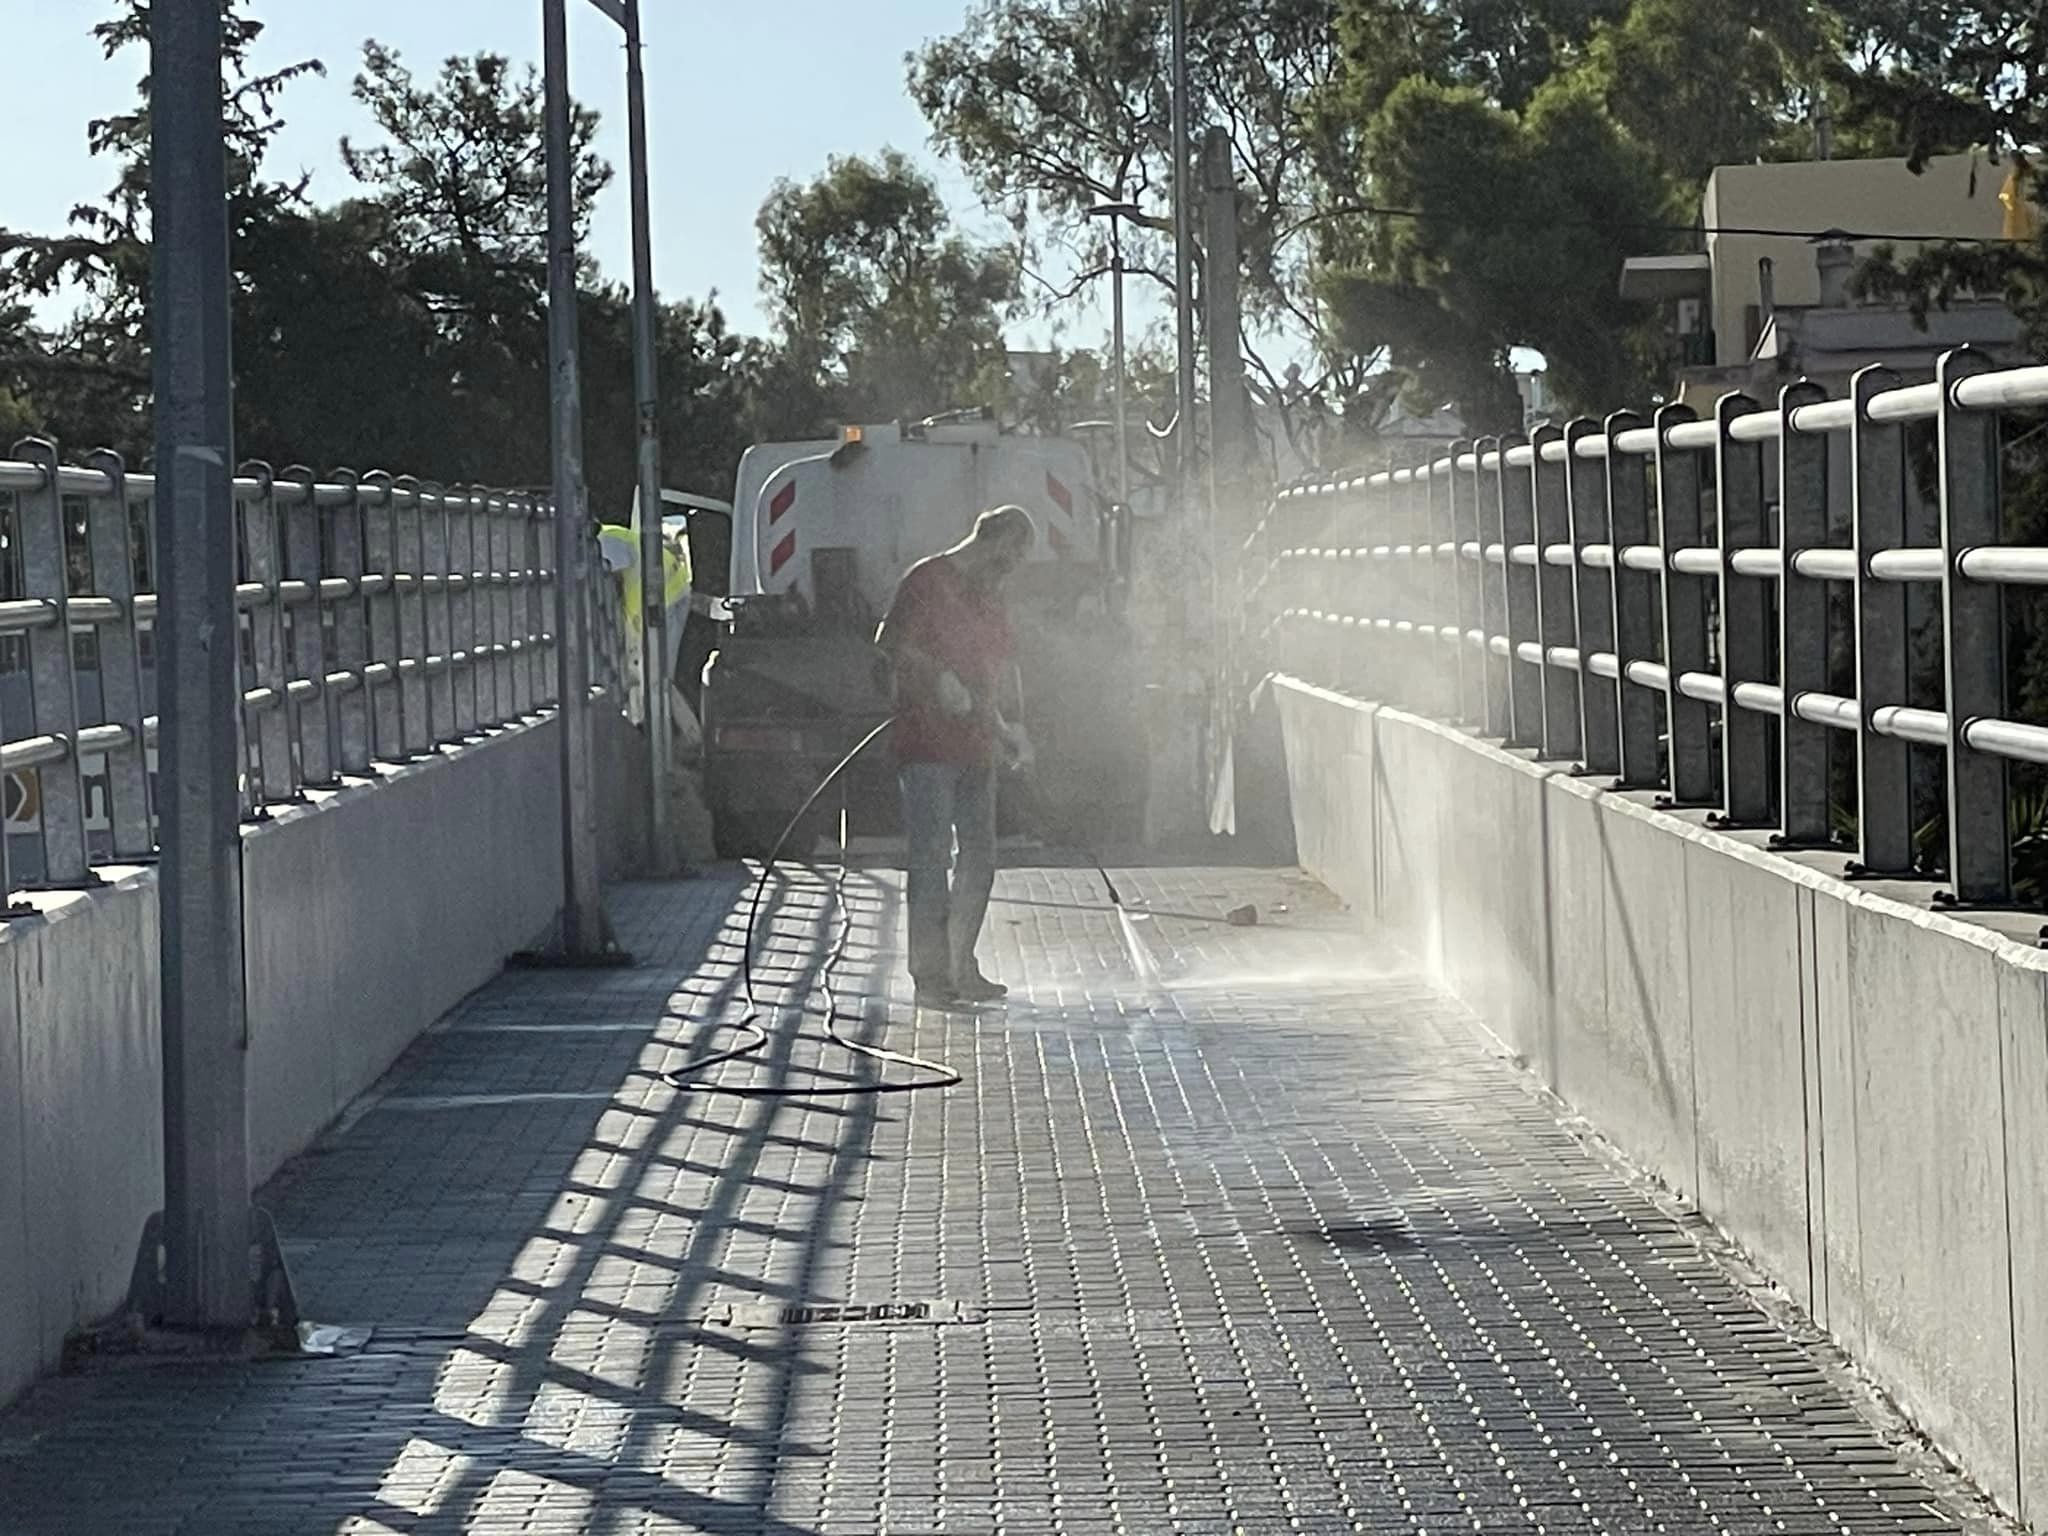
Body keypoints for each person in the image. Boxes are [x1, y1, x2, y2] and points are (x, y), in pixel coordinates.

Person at [874, 505, 1036, 1009]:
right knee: (930, 857)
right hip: (926, 744)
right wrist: (939, 679)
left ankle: (960, 964)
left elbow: (1002, 666)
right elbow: (890, 642)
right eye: (1008, 557)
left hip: (976, 746)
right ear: (988, 540)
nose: (1010, 569)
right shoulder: (927, 580)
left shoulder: (990, 596)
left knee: (980, 856)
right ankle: (930, 975)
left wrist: (1014, 727)